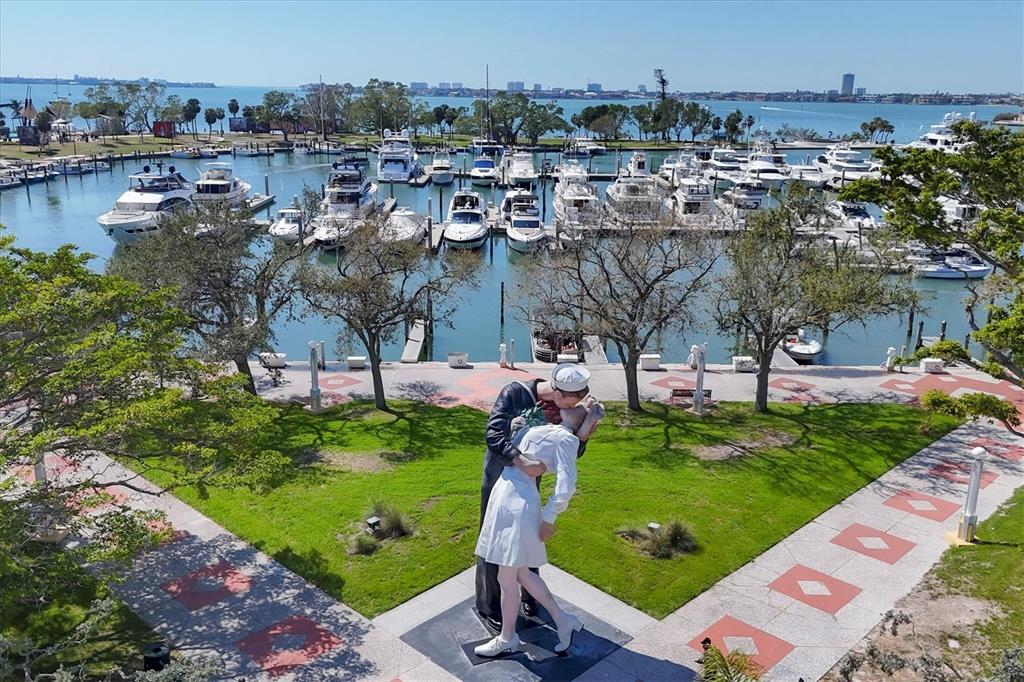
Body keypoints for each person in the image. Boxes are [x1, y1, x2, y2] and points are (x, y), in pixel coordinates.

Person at [474, 363, 602, 631]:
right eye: (575, 401)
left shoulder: (562, 411)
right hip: (499, 476)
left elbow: (567, 453)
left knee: (528, 541)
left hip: (528, 484)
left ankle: (531, 597)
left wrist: (584, 433)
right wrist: (521, 461)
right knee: (493, 544)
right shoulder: (514, 393)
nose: (576, 406)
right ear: (560, 394)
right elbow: (493, 434)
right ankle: (489, 605)